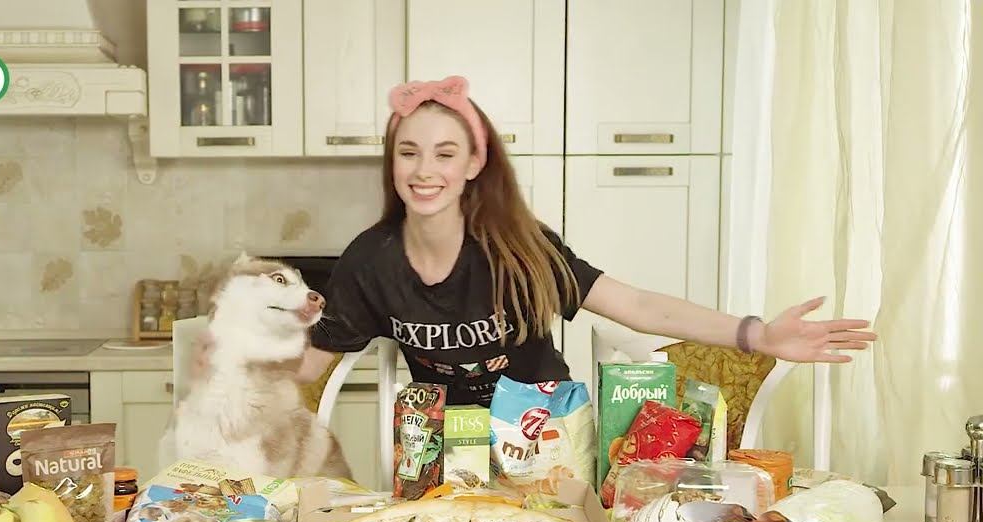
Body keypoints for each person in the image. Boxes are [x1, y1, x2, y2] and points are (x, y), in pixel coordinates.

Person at [297, 76, 876, 406]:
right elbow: (307, 366)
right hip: (442, 449)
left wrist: (758, 334)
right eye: (409, 153)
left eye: (445, 154)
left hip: (545, 433)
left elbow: (639, 306)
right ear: (392, 163)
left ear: (474, 164)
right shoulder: (369, 262)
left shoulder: (518, 249)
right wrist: (249, 343)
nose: (425, 171)